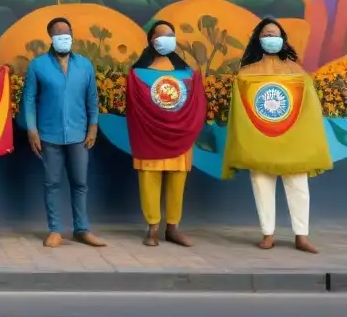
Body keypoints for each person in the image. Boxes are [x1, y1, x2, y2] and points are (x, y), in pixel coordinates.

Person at [222, 18, 331, 254]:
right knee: (262, 185)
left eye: (275, 34)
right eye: (266, 34)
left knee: (299, 187)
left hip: (293, 139)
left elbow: (308, 107)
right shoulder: (246, 73)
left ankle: (301, 236)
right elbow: (241, 108)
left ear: (283, 39)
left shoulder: (297, 71)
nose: (271, 38)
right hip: (260, 139)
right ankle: (267, 234)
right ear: (258, 40)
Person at [23, 17, 106, 248]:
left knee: (80, 182)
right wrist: (32, 130)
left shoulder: (85, 65)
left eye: (67, 33)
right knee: (52, 183)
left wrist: (93, 126)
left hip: (79, 134)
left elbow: (92, 98)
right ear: (50, 37)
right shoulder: (38, 65)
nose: (64, 37)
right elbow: (29, 100)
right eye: (59, 33)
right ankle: (55, 230)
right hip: (48, 135)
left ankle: (81, 229)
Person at [125, 21, 205, 247]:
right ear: (151, 40)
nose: (166, 39)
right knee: (149, 180)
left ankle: (173, 228)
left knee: (177, 181)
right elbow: (134, 107)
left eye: (170, 35)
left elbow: (197, 102)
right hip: (149, 135)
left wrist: (187, 125)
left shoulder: (187, 73)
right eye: (160, 36)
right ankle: (152, 227)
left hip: (181, 135)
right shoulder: (138, 73)